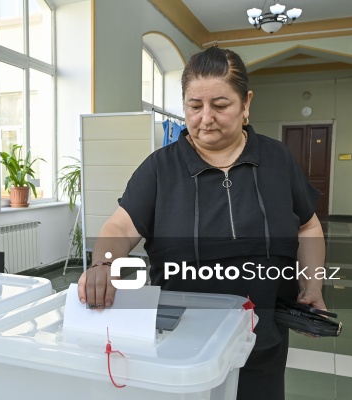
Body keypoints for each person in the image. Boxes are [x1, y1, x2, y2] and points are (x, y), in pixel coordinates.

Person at [77, 46, 326, 400]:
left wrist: (312, 285)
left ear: (246, 103)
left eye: (220, 105)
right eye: (195, 106)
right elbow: (119, 228)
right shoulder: (160, 169)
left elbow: (308, 226)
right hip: (181, 345)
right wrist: (103, 263)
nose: (206, 117)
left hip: (262, 339)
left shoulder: (277, 159)